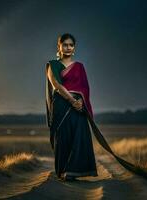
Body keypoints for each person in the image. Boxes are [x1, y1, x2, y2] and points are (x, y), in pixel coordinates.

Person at [45, 33, 98, 181]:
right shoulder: (52, 65)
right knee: (63, 137)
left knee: (78, 135)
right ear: (59, 47)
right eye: (65, 45)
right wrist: (71, 100)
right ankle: (63, 171)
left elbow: (85, 88)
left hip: (78, 107)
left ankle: (73, 171)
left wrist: (80, 102)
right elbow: (56, 85)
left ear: (74, 48)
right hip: (62, 105)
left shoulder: (79, 67)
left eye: (71, 45)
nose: (68, 48)